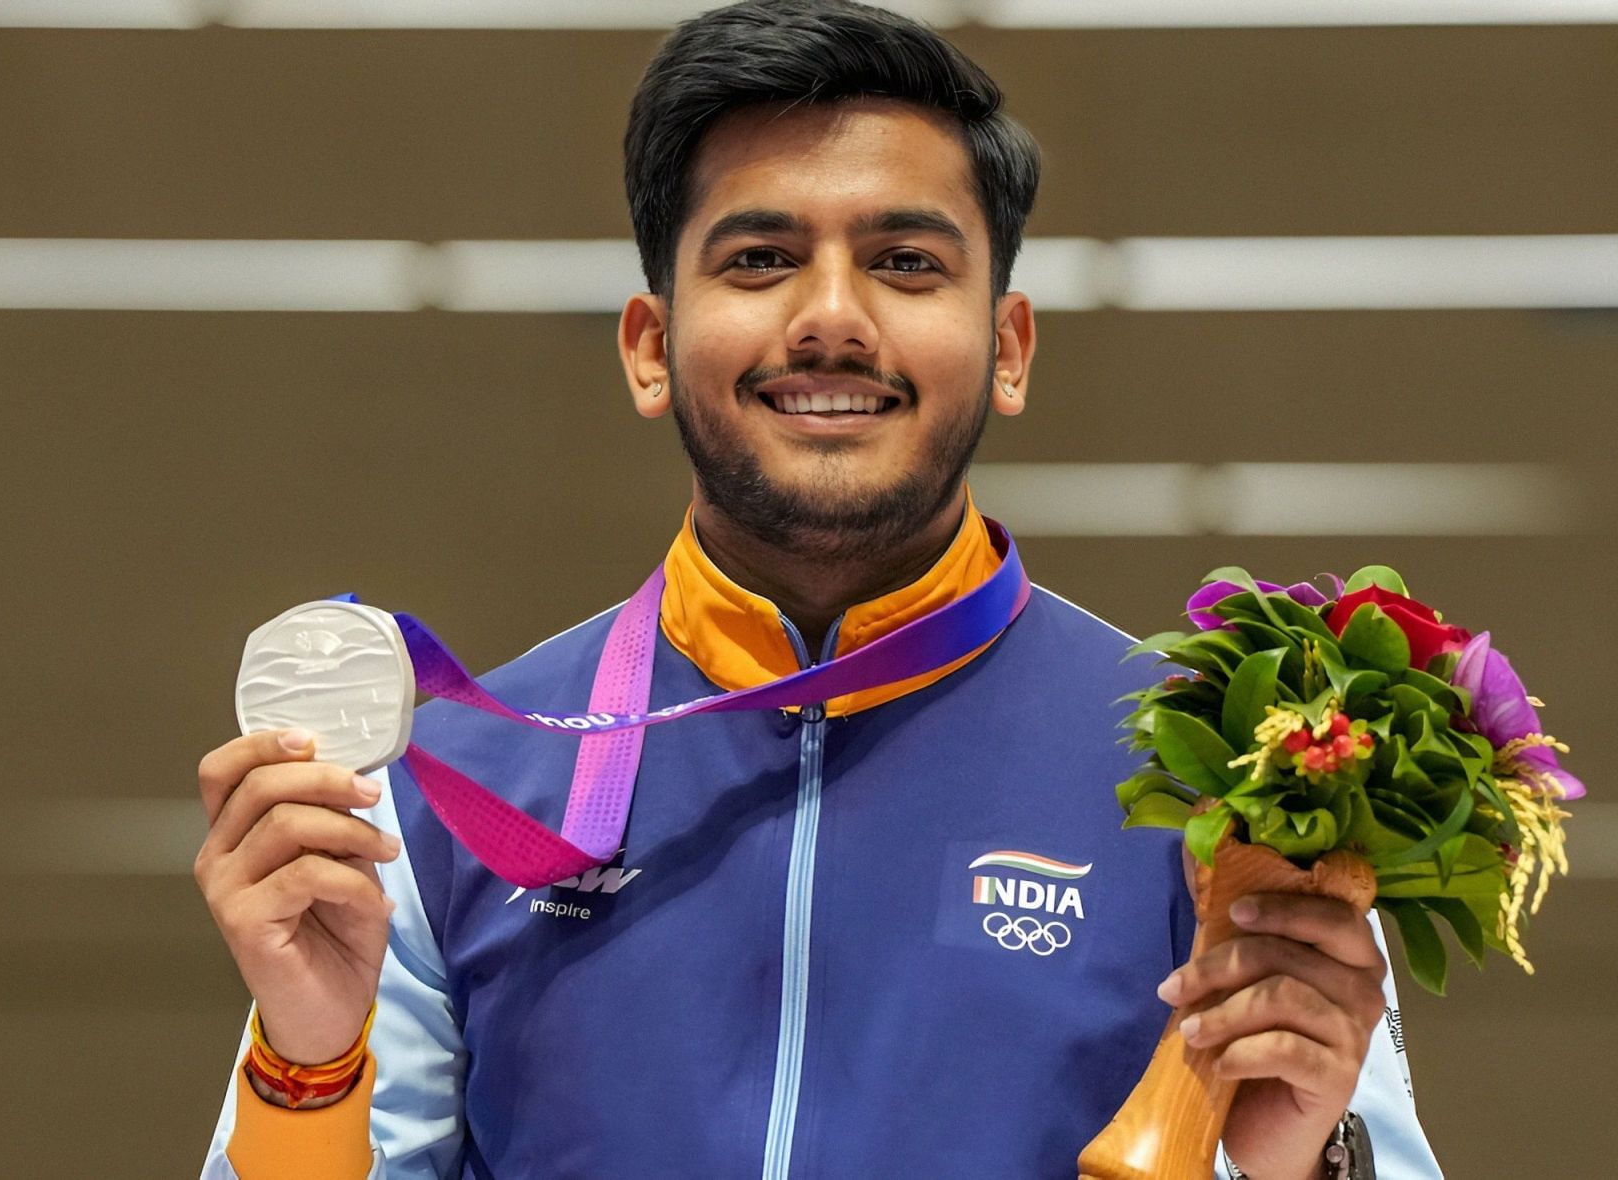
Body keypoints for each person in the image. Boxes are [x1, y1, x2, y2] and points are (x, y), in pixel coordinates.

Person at [195, 2, 1442, 1176]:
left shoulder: (1221, 777)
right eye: (759, 258)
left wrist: (1305, 1166)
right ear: (649, 345)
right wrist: (310, 1062)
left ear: (1007, 347)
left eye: (905, 260)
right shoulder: (448, 785)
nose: (831, 317)